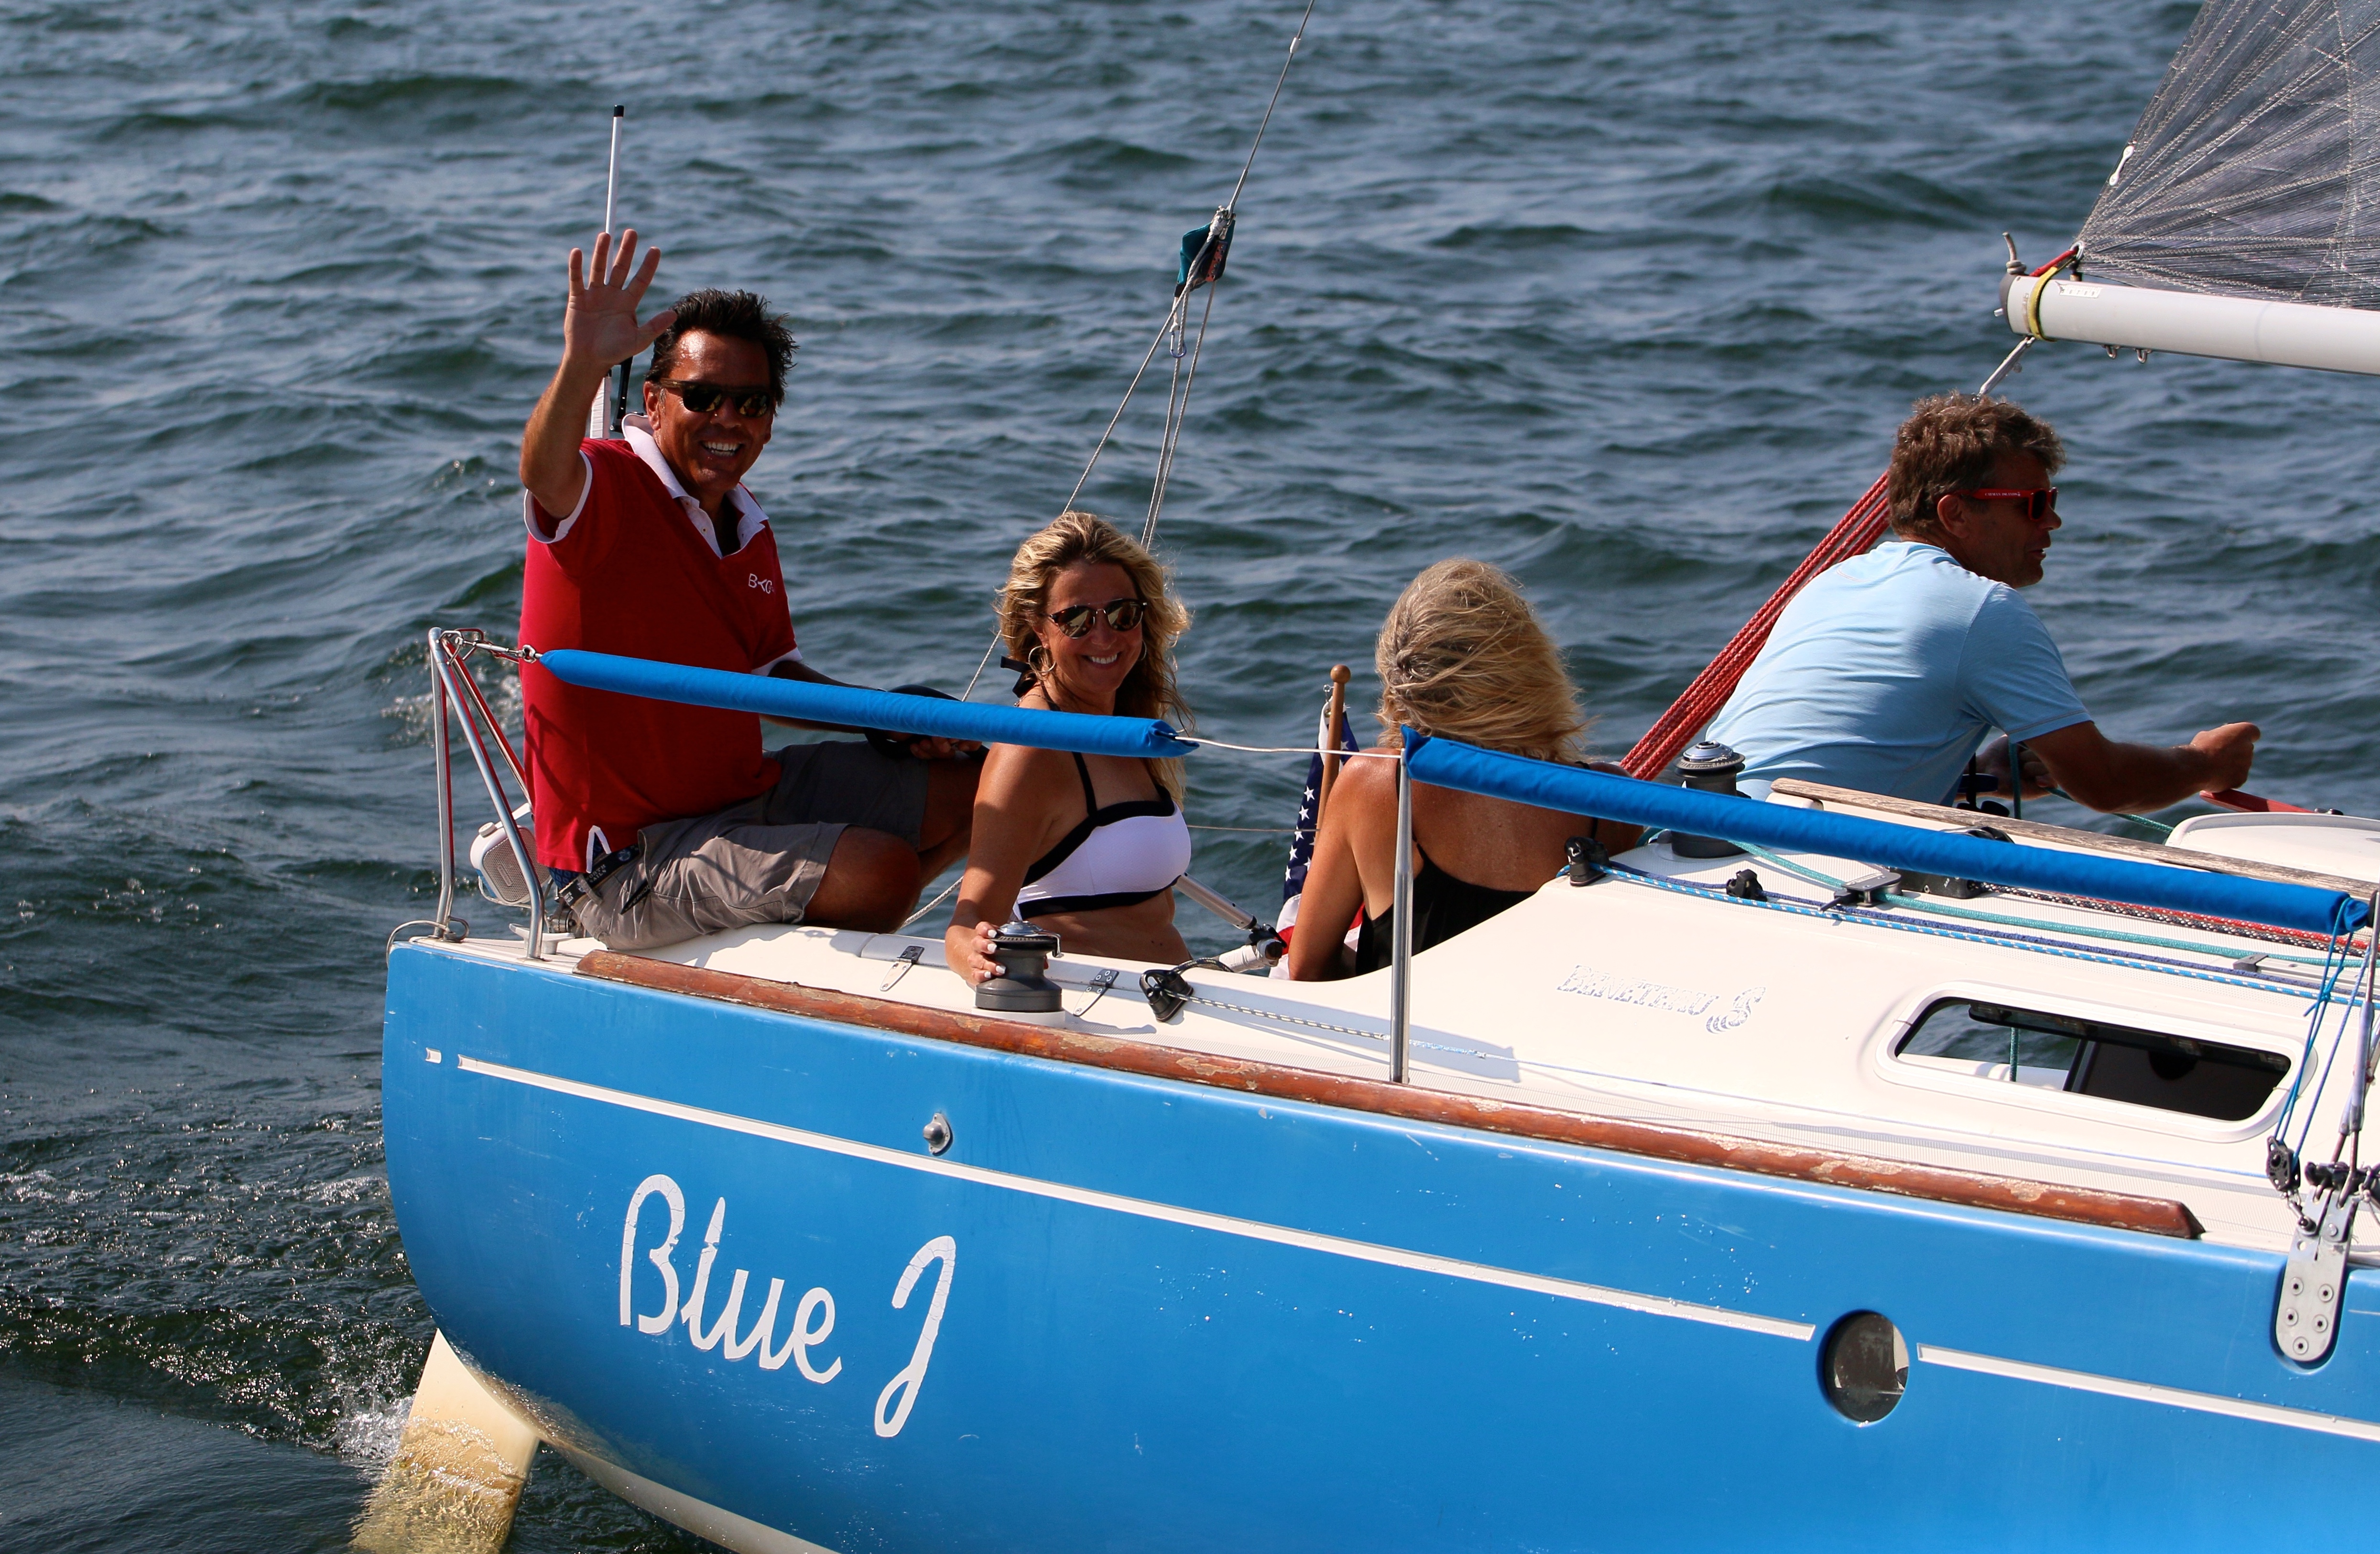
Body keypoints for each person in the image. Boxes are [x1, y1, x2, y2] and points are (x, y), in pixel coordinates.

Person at [514, 230, 978, 950]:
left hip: (744, 797)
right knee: (880, 871)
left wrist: (883, 714)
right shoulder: (601, 487)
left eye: (752, 402)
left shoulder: (745, 523)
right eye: (702, 397)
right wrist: (580, 366)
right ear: (654, 401)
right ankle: (800, 938)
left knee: (986, 786)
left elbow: (770, 674)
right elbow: (543, 472)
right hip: (624, 862)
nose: (728, 420)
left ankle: (794, 931)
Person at [1702, 393, 2259, 812]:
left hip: (1705, 840)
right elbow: (2107, 784)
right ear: (1955, 515)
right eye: (2033, 504)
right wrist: (2205, 764)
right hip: (1798, 870)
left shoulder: (1832, 584)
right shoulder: (1980, 609)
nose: (2053, 522)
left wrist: (1974, 775)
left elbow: (1827, 748)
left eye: (2052, 501)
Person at [1286, 560, 1641, 981]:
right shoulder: (1608, 801)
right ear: (1532, 670)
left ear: (1400, 682)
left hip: (1413, 1039)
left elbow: (1307, 967)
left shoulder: (1373, 785)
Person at [944, 512, 1196, 982]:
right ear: (1039, 628)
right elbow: (967, 924)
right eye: (1076, 620)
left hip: (1169, 995)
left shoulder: (1124, 725)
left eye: (1122, 614)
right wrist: (976, 957)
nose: (1104, 636)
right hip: (1097, 1013)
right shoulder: (1032, 748)